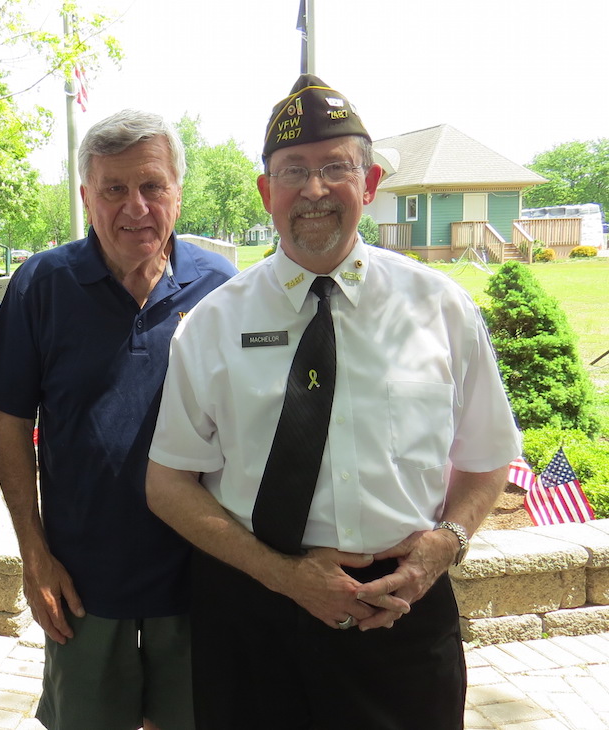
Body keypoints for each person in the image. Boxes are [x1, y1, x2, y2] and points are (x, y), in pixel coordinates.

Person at [145, 74, 522, 730]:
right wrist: (285, 576)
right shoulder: (211, 325)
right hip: (253, 618)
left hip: (401, 614)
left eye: (335, 168)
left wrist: (446, 543)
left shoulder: (440, 310)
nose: (314, 189)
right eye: (293, 170)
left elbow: (488, 456)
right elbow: (167, 484)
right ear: (266, 192)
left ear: (369, 184)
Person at [0, 109, 237, 730]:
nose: (135, 206)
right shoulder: (42, 284)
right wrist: (33, 553)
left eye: (152, 186)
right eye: (114, 188)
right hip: (82, 583)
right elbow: (8, 421)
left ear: (177, 192)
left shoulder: (223, 290)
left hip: (199, 577)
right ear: (87, 197)